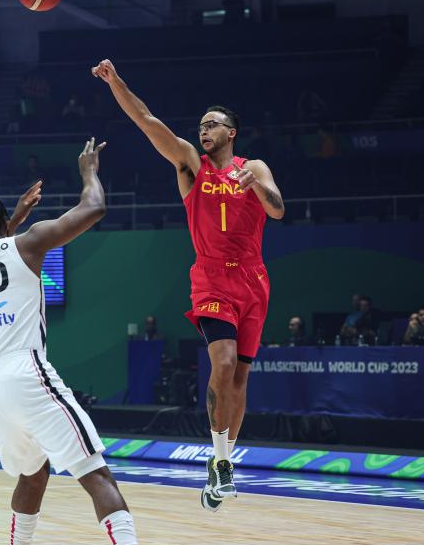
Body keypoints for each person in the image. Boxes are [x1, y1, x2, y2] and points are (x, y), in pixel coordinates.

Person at [0, 139, 178, 545]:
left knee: (33, 473)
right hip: (26, 371)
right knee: (96, 472)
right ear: (6, 224)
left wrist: (11, 220)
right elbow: (94, 208)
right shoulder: (29, 242)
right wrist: (88, 171)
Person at [94, 58, 284, 514]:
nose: (203, 130)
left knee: (240, 377)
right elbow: (146, 120)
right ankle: (219, 458)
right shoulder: (190, 164)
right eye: (201, 125)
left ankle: (222, 463)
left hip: (253, 279)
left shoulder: (254, 167)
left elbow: (278, 209)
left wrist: (256, 186)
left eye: (212, 124)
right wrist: (116, 82)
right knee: (222, 362)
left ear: (231, 132)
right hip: (212, 277)